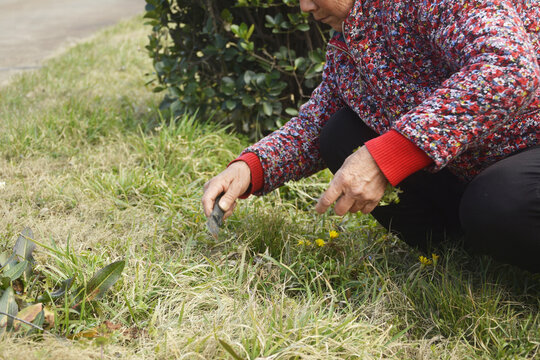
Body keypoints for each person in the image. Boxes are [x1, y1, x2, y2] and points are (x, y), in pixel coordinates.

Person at [202, 0, 540, 273]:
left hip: (530, 146)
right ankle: (466, 258)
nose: (304, 7)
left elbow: (509, 68)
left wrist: (390, 155)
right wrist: (251, 168)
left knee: (498, 200)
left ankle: (496, 229)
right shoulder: (353, 38)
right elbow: (317, 123)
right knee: (341, 132)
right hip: (476, 165)